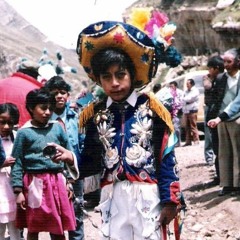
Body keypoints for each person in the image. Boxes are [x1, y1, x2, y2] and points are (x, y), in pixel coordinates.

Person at [76, 20, 182, 239]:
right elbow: (91, 160)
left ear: (132, 75)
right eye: (107, 77)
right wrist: (71, 161)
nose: (114, 83)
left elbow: (166, 157)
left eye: (120, 75)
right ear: (98, 80)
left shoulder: (153, 109)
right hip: (113, 196)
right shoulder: (96, 114)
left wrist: (170, 200)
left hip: (148, 196)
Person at [11, 88, 79, 240]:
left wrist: (68, 181)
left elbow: (67, 155)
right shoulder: (24, 133)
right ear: (30, 108)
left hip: (57, 181)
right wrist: (18, 191)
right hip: (34, 184)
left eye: (50, 108)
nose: (48, 112)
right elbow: (17, 163)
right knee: (33, 227)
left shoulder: (57, 128)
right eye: (43, 108)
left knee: (58, 227)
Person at [44, 76, 85, 240]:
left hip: (75, 173)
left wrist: (77, 169)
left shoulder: (77, 118)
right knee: (56, 218)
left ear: (68, 95)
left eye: (63, 92)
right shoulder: (44, 121)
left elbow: (82, 145)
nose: (59, 96)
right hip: (53, 175)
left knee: (77, 217)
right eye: (55, 93)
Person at [207, 48, 240, 196]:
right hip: (221, 120)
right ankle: (227, 184)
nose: (225, 64)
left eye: (229, 61)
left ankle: (238, 184)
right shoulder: (221, 79)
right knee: (223, 153)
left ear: (237, 62)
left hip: (236, 119)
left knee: (237, 153)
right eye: (224, 61)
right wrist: (214, 117)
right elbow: (215, 99)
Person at [0, 103, 21, 240]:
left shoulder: (17, 138)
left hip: (12, 188)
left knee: (16, 229)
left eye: (10, 123)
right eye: (2, 122)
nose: (6, 126)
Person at [203, 56, 224, 182]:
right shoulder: (209, 78)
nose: (209, 71)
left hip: (220, 117)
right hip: (213, 116)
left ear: (216, 68)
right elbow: (207, 86)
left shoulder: (222, 80)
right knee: (216, 146)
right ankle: (220, 176)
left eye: (210, 68)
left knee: (220, 148)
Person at [182, 79, 200, 146]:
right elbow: (182, 99)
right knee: (187, 127)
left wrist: (185, 100)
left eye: (188, 84)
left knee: (193, 126)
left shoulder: (195, 91)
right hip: (186, 110)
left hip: (192, 110)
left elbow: (190, 99)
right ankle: (188, 141)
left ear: (191, 84)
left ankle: (196, 140)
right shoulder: (186, 91)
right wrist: (185, 100)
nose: (187, 85)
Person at [169, 81, 184, 147]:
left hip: (178, 111)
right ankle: (174, 142)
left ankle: (178, 142)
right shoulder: (169, 93)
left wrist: (177, 109)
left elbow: (181, 102)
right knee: (172, 127)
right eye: (170, 86)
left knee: (176, 127)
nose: (171, 88)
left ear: (175, 86)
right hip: (171, 111)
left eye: (172, 86)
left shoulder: (180, 92)